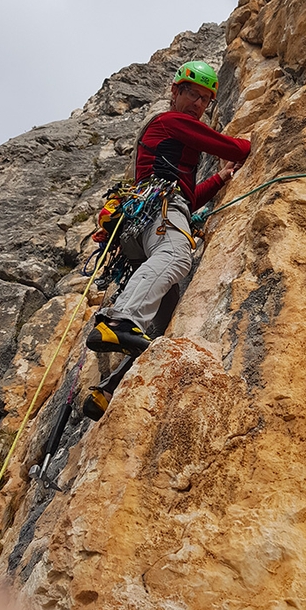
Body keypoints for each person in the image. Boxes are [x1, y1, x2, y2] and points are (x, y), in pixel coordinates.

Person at [84, 61, 250, 418]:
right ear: (175, 92)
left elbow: (189, 199)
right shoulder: (170, 122)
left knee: (163, 321)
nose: (199, 105)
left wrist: (219, 179)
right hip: (160, 207)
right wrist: (257, 141)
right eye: (193, 94)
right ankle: (117, 320)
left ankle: (108, 389)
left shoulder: (173, 135)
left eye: (206, 100)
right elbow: (236, 148)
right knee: (177, 257)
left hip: (145, 223)